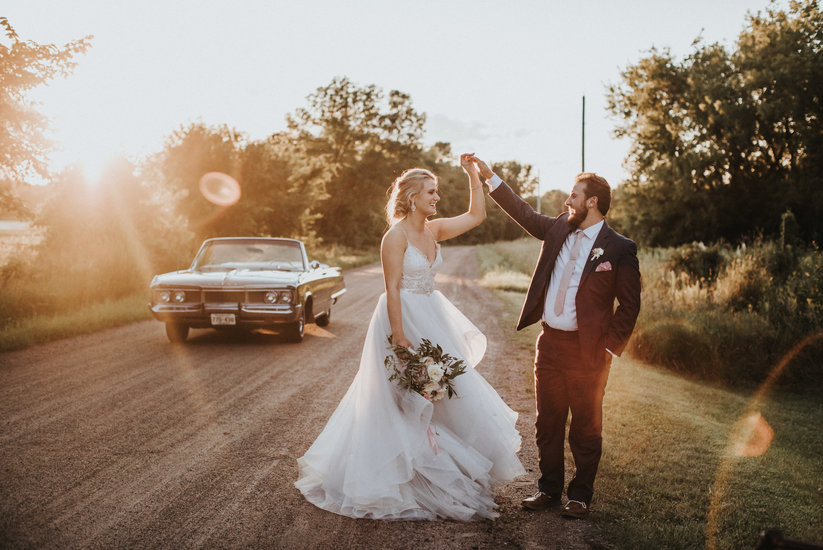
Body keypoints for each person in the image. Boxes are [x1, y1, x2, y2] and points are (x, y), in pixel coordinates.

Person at [295, 154, 525, 521]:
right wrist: (399, 337)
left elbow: (476, 216)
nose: (436, 198)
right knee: (401, 398)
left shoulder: (433, 230)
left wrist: (472, 175)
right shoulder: (395, 236)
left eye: (436, 192)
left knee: (448, 391)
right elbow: (391, 289)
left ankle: (444, 470)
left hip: (433, 317)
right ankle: (398, 475)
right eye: (431, 192)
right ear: (413, 197)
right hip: (401, 322)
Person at [474, 158, 641, 519]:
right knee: (547, 422)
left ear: (592, 201)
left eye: (573, 195)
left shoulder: (619, 248)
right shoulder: (556, 230)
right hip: (549, 345)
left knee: (585, 425)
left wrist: (609, 348)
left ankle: (580, 496)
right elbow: (523, 211)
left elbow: (629, 305)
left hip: (589, 353)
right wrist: (489, 176)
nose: (568, 201)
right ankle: (548, 489)